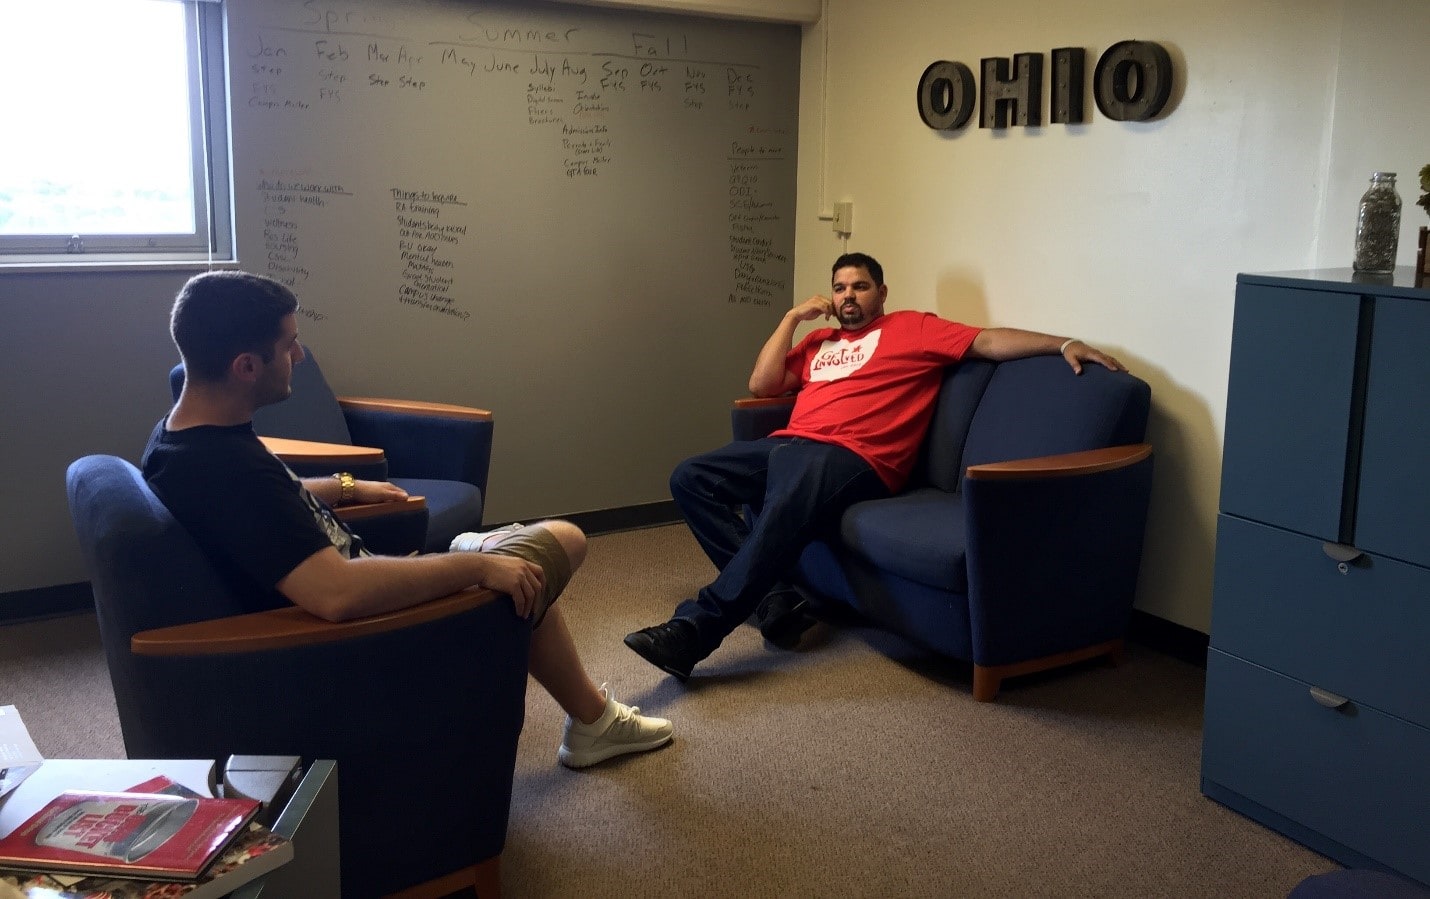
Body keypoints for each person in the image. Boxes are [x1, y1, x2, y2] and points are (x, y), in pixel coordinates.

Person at [142, 270, 672, 769]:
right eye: (288, 345)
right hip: (369, 643)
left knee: (511, 561)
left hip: (362, 595)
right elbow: (338, 594)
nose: (299, 357)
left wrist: (347, 487)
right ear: (246, 366)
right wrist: (473, 572)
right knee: (561, 541)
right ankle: (593, 722)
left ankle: (591, 721)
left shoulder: (186, 439)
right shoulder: (226, 471)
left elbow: (272, 502)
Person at [625, 252, 1127, 681]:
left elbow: (987, 341)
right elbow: (763, 384)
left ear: (881, 292)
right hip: (789, 444)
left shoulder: (911, 328)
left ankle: (695, 630)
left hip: (857, 456)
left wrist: (1062, 343)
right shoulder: (818, 344)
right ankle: (774, 597)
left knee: (786, 498)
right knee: (690, 478)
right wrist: (792, 318)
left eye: (860, 286)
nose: (848, 296)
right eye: (840, 288)